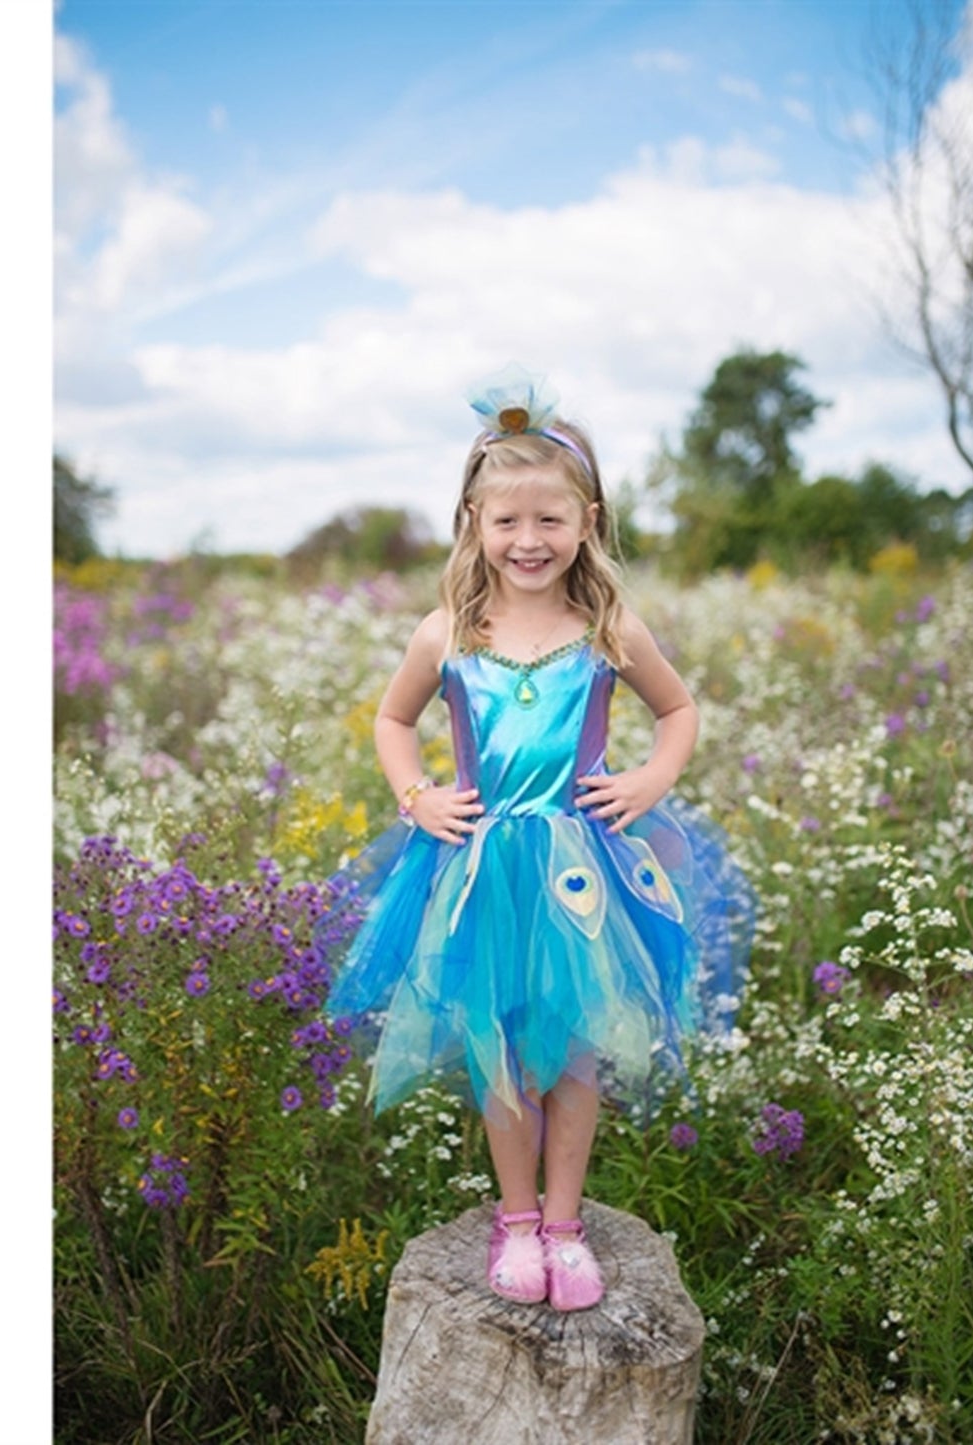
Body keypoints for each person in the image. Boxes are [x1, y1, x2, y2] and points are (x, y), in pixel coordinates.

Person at [325, 367, 754, 1311]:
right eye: (507, 521)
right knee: (500, 1045)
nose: (529, 540)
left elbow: (677, 709)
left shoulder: (605, 626)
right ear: (472, 522)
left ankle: (565, 1222)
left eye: (549, 521)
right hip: (478, 867)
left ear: (587, 520)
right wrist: (414, 795)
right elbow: (392, 723)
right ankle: (515, 1220)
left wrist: (649, 776)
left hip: (583, 873)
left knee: (576, 1050)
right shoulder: (448, 631)